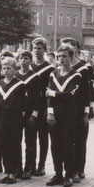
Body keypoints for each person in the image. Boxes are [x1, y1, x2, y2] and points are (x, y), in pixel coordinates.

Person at [45, 44, 81, 187]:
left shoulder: (76, 76)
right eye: (59, 57)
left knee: (67, 145)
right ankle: (58, 174)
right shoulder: (53, 75)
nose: (61, 60)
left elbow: (71, 95)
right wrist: (50, 113)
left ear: (71, 57)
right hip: (55, 116)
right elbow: (48, 98)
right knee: (55, 145)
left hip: (69, 116)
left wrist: (53, 93)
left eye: (64, 56)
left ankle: (69, 175)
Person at [61, 37, 94, 182]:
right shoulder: (61, 67)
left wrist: (89, 109)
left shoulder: (84, 67)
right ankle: (68, 169)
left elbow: (89, 90)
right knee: (67, 140)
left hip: (80, 108)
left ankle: (79, 169)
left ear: (76, 49)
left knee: (80, 140)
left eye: (70, 47)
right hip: (66, 109)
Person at [0, 57, 26, 184]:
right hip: (1, 117)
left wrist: (20, 118)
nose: (6, 71)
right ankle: (7, 171)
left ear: (15, 70)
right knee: (3, 143)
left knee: (14, 143)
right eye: (4, 68)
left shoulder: (20, 85)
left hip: (14, 117)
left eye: (9, 68)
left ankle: (14, 171)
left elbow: (23, 105)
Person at [29, 38, 55, 177]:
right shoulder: (30, 67)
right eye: (35, 48)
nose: (37, 50)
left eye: (39, 48)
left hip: (43, 107)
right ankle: (31, 164)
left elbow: (49, 90)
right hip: (30, 107)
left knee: (43, 137)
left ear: (45, 50)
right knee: (30, 137)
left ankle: (41, 165)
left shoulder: (49, 69)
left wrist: (48, 110)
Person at [15, 50, 40, 180]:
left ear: (30, 60)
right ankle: (18, 167)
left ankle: (29, 167)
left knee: (30, 141)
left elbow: (38, 98)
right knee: (16, 141)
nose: (23, 61)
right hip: (17, 113)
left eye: (26, 58)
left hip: (30, 113)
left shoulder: (35, 76)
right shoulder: (15, 76)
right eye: (21, 58)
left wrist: (34, 114)